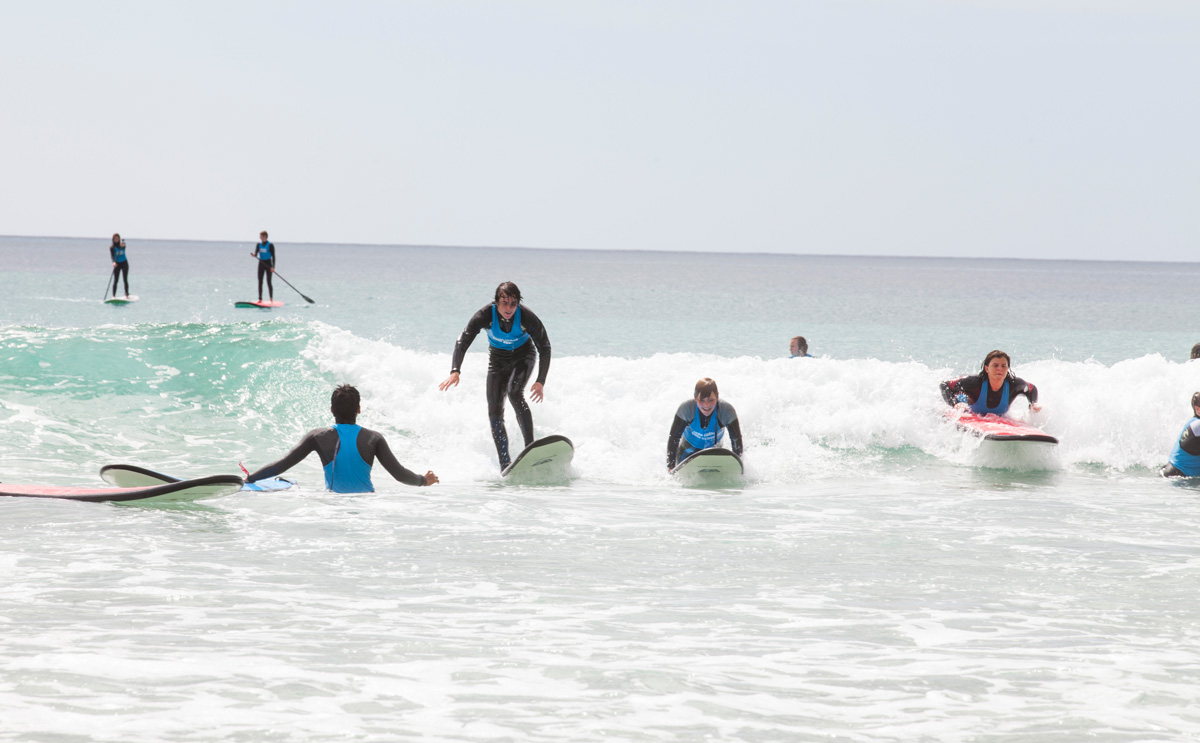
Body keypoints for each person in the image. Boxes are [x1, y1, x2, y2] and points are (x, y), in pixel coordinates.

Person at [439, 281, 551, 469]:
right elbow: (463, 340)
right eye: (504, 303)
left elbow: (545, 348)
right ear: (496, 302)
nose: (509, 308)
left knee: (515, 393)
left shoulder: (526, 317)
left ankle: (530, 448)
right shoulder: (484, 316)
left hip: (523, 356)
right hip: (498, 361)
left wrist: (540, 381)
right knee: (494, 410)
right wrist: (455, 370)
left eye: (513, 303)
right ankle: (505, 463)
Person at [244, 384, 438, 493]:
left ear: (331, 409)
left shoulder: (318, 437)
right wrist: (423, 480)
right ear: (359, 409)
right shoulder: (374, 438)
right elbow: (400, 474)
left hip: (333, 506)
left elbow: (282, 464)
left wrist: (250, 478)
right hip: (367, 506)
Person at [666, 377, 744, 471]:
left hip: (715, 451)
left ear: (717, 397)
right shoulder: (686, 409)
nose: (706, 405)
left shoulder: (726, 411)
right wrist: (671, 466)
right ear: (695, 398)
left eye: (711, 400)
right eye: (702, 400)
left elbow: (736, 438)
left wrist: (739, 465)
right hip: (687, 451)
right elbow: (674, 437)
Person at [940, 349, 1041, 416]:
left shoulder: (1014, 385)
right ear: (987, 368)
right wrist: (954, 403)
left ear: (1008, 369)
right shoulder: (974, 383)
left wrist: (1032, 404)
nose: (999, 369)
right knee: (962, 398)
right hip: (966, 403)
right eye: (995, 365)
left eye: (1003, 366)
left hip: (993, 418)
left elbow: (1031, 388)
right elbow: (945, 385)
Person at [1161, 392, 1200, 478]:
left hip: (1177, 474)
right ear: (1197, 409)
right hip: (1175, 476)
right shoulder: (1197, 426)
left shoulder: (1193, 422)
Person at [251, 230, 275, 302]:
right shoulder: (258, 244)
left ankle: (271, 298)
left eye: (260, 236)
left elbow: (274, 256)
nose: (259, 237)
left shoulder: (270, 245)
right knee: (260, 281)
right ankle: (260, 299)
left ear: (264, 236)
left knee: (268, 281)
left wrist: (273, 267)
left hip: (268, 264)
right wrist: (254, 255)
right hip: (261, 263)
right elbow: (256, 253)